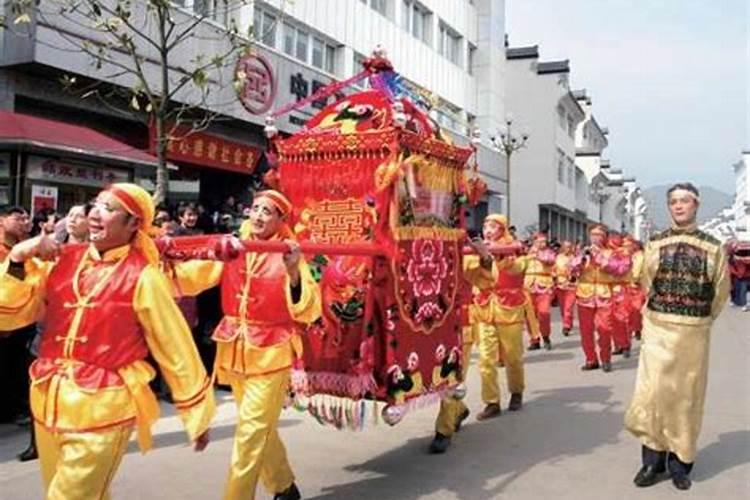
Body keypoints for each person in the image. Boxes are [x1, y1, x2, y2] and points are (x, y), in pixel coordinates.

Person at [0, 183, 214, 499]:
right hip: (48, 399)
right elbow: (10, 313)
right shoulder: (63, 260)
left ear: (133, 225)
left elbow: (174, 345)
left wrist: (196, 413)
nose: (96, 214)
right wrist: (17, 259)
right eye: (96, 205)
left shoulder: (144, 275)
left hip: (104, 407)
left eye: (110, 209)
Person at [171, 189, 321, 500]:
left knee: (250, 435)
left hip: (272, 354)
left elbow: (309, 307)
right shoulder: (233, 247)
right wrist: (163, 262)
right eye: (255, 209)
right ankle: (283, 486)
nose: (258, 216)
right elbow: (194, 276)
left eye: (268, 212)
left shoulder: (288, 252)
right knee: (258, 429)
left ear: (281, 220)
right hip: (235, 351)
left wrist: (293, 272)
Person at [625, 182, 730, 491]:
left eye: (685, 201)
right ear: (669, 206)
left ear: (696, 205)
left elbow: (720, 290)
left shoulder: (713, 246)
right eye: (673, 201)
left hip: (692, 333)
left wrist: (701, 318)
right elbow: (646, 282)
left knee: (686, 397)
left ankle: (681, 463)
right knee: (653, 394)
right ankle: (652, 461)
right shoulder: (655, 243)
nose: (679, 206)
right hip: (658, 328)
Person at [429, 237, 497, 453]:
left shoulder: (466, 256)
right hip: (431, 324)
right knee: (435, 377)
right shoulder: (422, 252)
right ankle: (459, 409)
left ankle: (444, 430)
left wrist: (485, 257)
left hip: (461, 325)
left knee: (452, 378)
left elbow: (487, 281)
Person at [473, 214, 528, 418]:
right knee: (486, 359)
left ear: (502, 229)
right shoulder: (477, 249)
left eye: (493, 226)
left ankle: (516, 391)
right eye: (486, 225)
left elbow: (516, 269)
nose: (488, 229)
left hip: (509, 309)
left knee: (513, 355)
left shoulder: (515, 250)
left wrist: (499, 258)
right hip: (486, 308)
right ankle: (492, 401)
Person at [569, 224, 631, 372]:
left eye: (599, 235)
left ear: (604, 237)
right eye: (593, 235)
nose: (595, 238)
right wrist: (582, 259)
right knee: (586, 330)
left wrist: (599, 258)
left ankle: (606, 358)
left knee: (604, 328)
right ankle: (591, 359)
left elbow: (620, 269)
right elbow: (571, 270)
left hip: (604, 294)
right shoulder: (582, 252)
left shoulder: (611, 253)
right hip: (585, 294)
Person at [524, 232, 557, 350]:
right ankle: (534, 339)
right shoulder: (526, 252)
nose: (543, 244)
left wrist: (538, 254)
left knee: (544, 313)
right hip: (528, 285)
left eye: (544, 241)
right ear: (534, 241)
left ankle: (546, 335)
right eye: (540, 241)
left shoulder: (549, 252)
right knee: (529, 315)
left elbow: (550, 260)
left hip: (544, 285)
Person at [554, 240, 578, 336]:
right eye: (565, 246)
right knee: (563, 308)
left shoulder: (575, 259)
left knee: (568, 307)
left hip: (571, 286)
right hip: (560, 285)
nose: (567, 249)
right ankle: (568, 322)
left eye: (569, 246)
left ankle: (566, 326)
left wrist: (573, 276)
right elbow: (553, 269)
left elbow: (578, 271)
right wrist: (554, 278)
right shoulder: (558, 258)